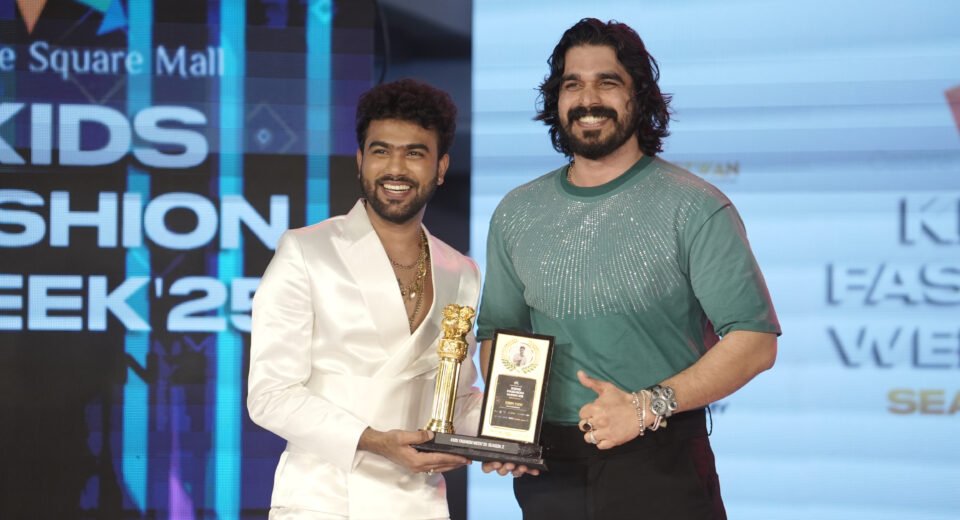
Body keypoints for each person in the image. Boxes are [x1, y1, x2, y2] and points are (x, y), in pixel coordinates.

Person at [476, 18, 781, 520]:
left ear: (639, 96)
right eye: (572, 84)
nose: (588, 99)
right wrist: (511, 427)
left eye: (607, 82)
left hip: (660, 458)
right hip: (550, 471)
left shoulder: (695, 206)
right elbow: (499, 335)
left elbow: (755, 340)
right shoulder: (516, 211)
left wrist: (645, 406)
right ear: (556, 99)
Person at [248, 78, 483, 520]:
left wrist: (507, 434)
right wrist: (374, 441)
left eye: (414, 153)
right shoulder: (307, 251)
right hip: (323, 501)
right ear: (360, 161)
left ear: (441, 167)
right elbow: (271, 395)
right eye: (381, 151)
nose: (395, 168)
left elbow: (453, 398)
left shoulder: (461, 270)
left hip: (418, 503)